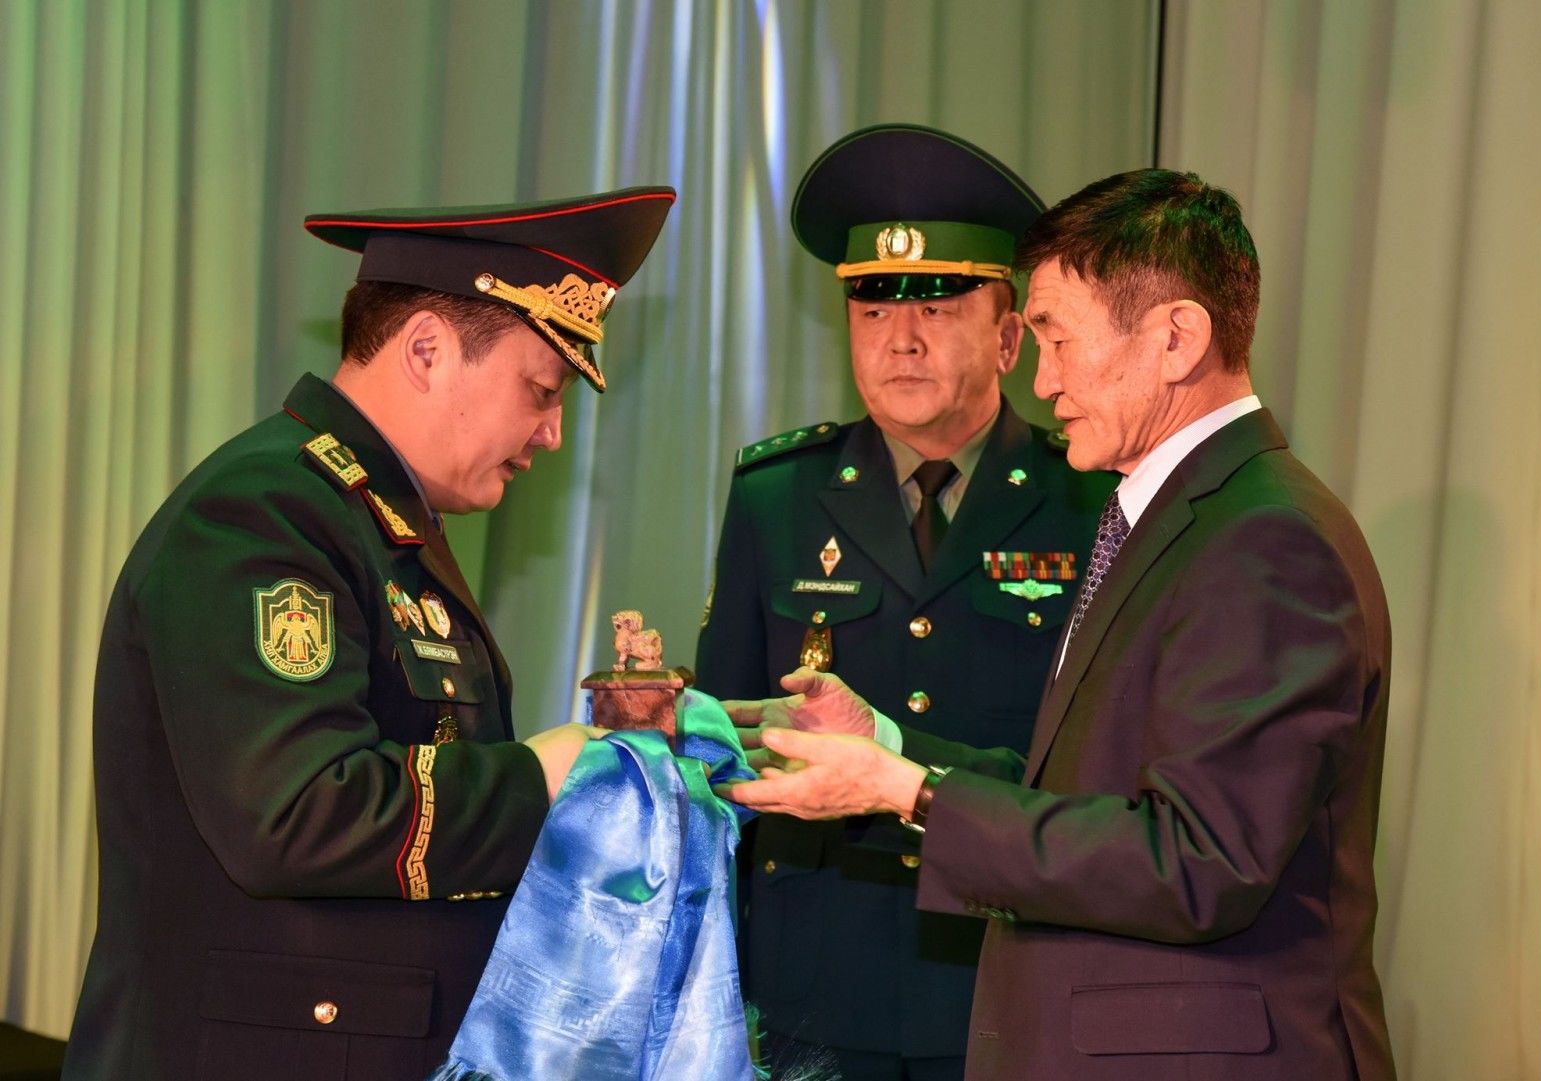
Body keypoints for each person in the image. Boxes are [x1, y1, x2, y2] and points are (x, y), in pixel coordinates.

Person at [724, 168, 1397, 1081]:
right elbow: (1084, 792)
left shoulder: (1264, 540)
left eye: (1058, 338)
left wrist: (910, 794)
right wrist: (889, 749)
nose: (1040, 381)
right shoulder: (1179, 516)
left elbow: (1199, 860)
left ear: (1176, 338)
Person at [61, 187, 676, 1080]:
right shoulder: (265, 511)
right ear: (426, 350)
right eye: (542, 389)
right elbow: (298, 812)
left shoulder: (374, 521)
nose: (551, 432)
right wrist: (538, 777)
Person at [694, 124, 1112, 1080]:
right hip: (816, 982)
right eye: (873, 306)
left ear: (1009, 337)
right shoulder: (777, 494)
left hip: (1006, 969)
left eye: (938, 304)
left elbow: (1100, 773)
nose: (902, 338)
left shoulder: (1090, 498)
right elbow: (726, 743)